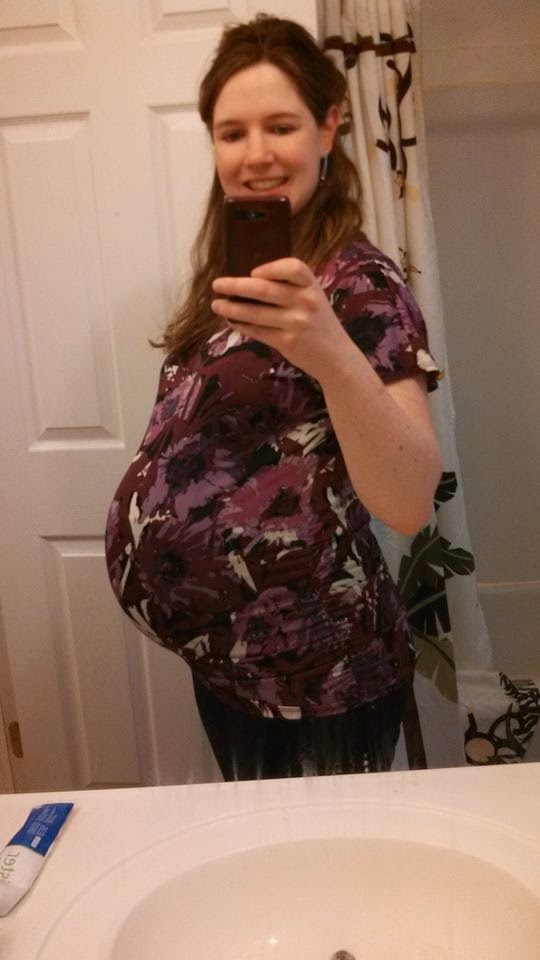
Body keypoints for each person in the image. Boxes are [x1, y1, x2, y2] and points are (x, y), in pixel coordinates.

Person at [105, 15, 442, 781]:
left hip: (321, 681)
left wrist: (329, 351)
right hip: (236, 677)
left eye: (281, 126)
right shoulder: (239, 275)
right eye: (233, 133)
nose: (254, 154)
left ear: (328, 127)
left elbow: (409, 502)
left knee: (324, 860)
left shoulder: (360, 284)